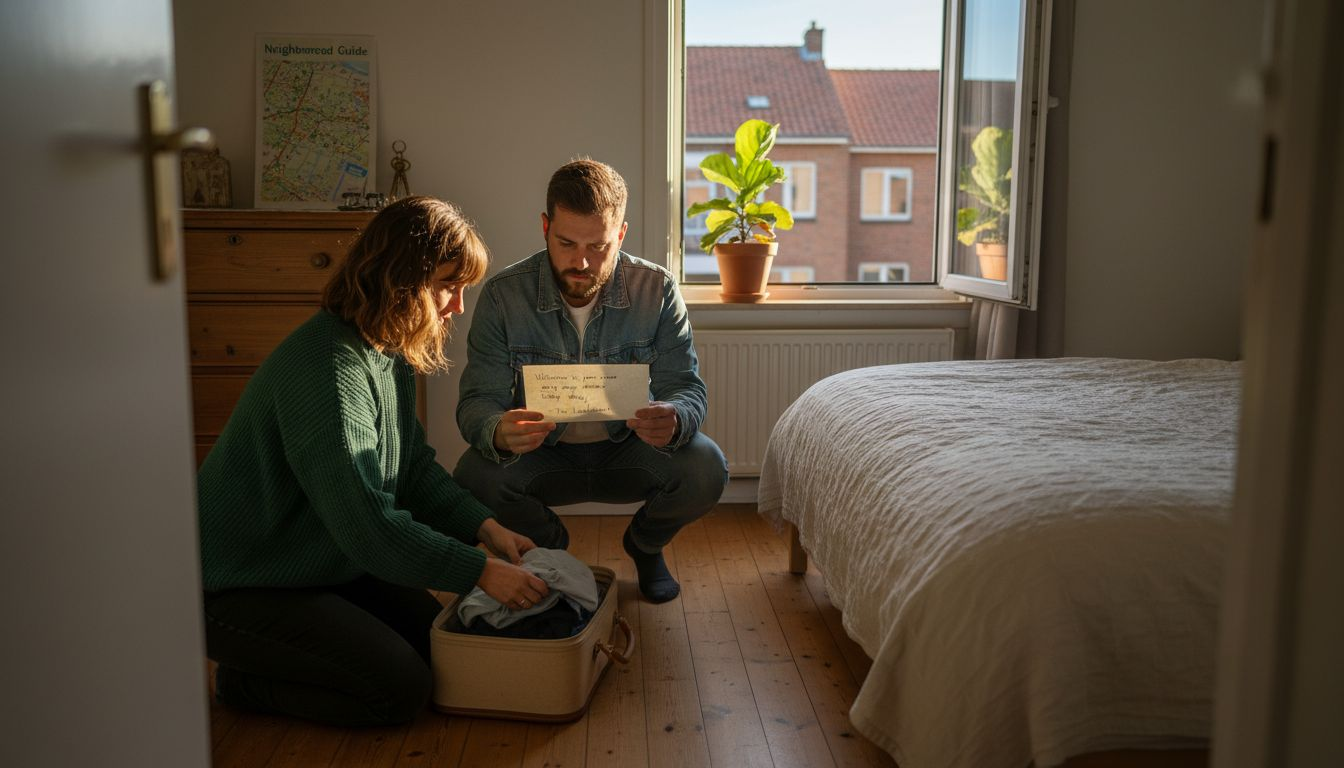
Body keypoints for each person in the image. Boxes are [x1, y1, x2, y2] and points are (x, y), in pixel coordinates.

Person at [197, 196, 549, 727]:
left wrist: (486, 528)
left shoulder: (386, 349)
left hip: (320, 559)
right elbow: (369, 528)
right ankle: (238, 681)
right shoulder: (327, 372)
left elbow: (412, 470)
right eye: (448, 286)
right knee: (399, 690)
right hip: (240, 585)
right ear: (401, 281)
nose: (456, 306)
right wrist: (479, 571)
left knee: (440, 647)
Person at [454, 159, 729, 604]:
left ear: (620, 235)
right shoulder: (505, 296)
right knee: (473, 474)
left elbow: (686, 385)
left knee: (706, 467)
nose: (581, 261)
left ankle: (645, 547)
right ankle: (553, 553)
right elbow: (476, 402)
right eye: (566, 243)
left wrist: (676, 417)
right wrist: (497, 430)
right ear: (545, 228)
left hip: (630, 450)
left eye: (599, 246)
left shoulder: (655, 288)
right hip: (544, 456)